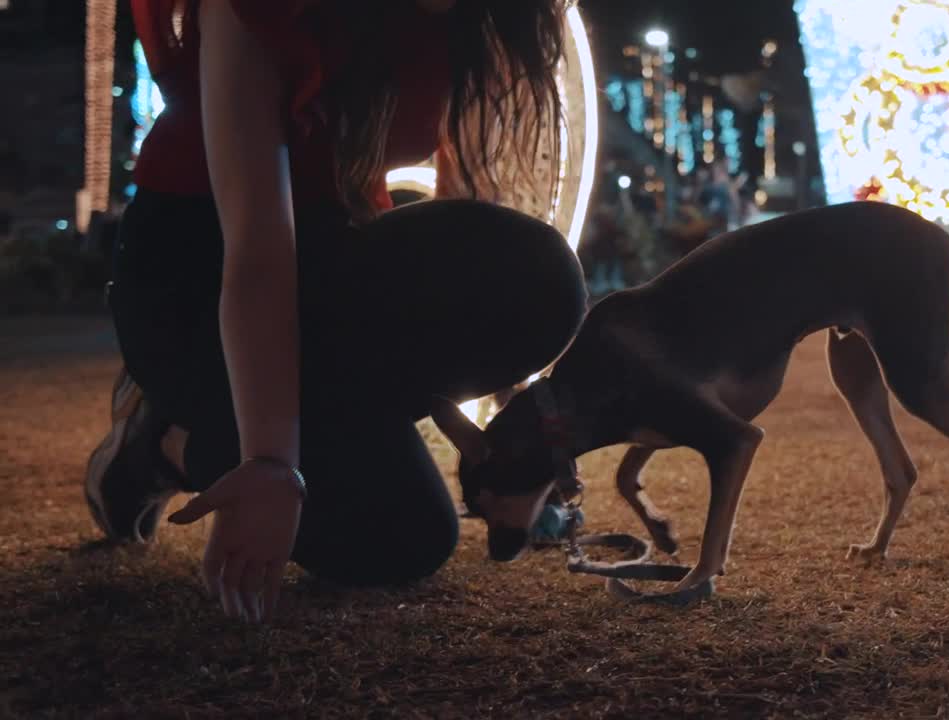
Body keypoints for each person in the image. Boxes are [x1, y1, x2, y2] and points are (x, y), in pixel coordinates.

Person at [84, 0, 588, 623]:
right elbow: (259, 250)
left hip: (331, 260)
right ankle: (162, 440)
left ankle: (232, 430)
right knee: (375, 527)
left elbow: (454, 253)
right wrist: (269, 463)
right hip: (196, 276)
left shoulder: (464, 18)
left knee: (409, 539)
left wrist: (475, 428)